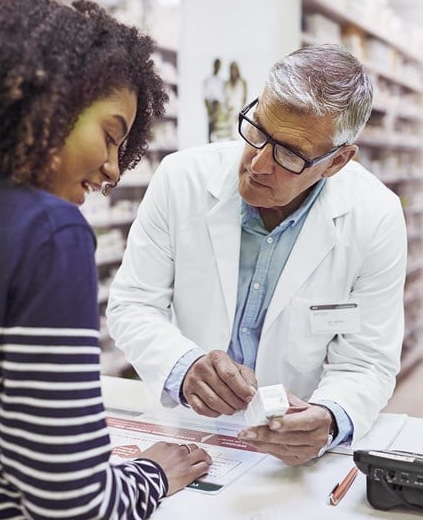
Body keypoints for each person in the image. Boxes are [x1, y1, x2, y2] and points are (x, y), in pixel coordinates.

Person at [0, 0, 211, 520]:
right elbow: (71, 501)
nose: (111, 170)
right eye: (109, 136)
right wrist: (151, 474)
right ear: (47, 100)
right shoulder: (47, 232)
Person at [107, 43, 407, 466]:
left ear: (337, 160)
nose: (258, 164)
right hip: (188, 431)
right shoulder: (181, 179)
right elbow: (131, 305)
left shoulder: (375, 215)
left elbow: (368, 361)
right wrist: (183, 366)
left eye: (289, 154)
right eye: (258, 130)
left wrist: (330, 416)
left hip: (294, 456)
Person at [203, 58, 226, 142]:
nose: (218, 67)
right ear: (214, 65)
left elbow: (223, 97)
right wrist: (210, 111)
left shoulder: (221, 81)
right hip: (212, 107)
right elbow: (206, 97)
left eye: (219, 65)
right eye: (216, 65)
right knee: (211, 132)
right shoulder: (208, 80)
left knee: (219, 132)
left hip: (219, 108)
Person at [224, 61, 248, 138]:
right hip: (230, 112)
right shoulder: (227, 83)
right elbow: (226, 98)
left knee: (239, 133)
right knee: (229, 135)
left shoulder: (243, 82)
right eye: (231, 69)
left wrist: (241, 112)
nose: (233, 71)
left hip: (239, 110)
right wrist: (228, 109)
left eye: (234, 69)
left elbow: (244, 98)